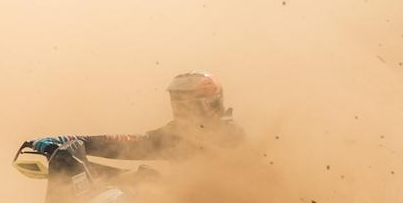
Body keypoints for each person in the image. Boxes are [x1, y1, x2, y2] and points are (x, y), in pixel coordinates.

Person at [24, 71, 244, 163]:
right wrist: (71, 142)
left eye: (187, 104)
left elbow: (144, 145)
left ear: (210, 102)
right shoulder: (177, 132)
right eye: (177, 103)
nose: (181, 110)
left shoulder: (229, 134)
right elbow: (130, 144)